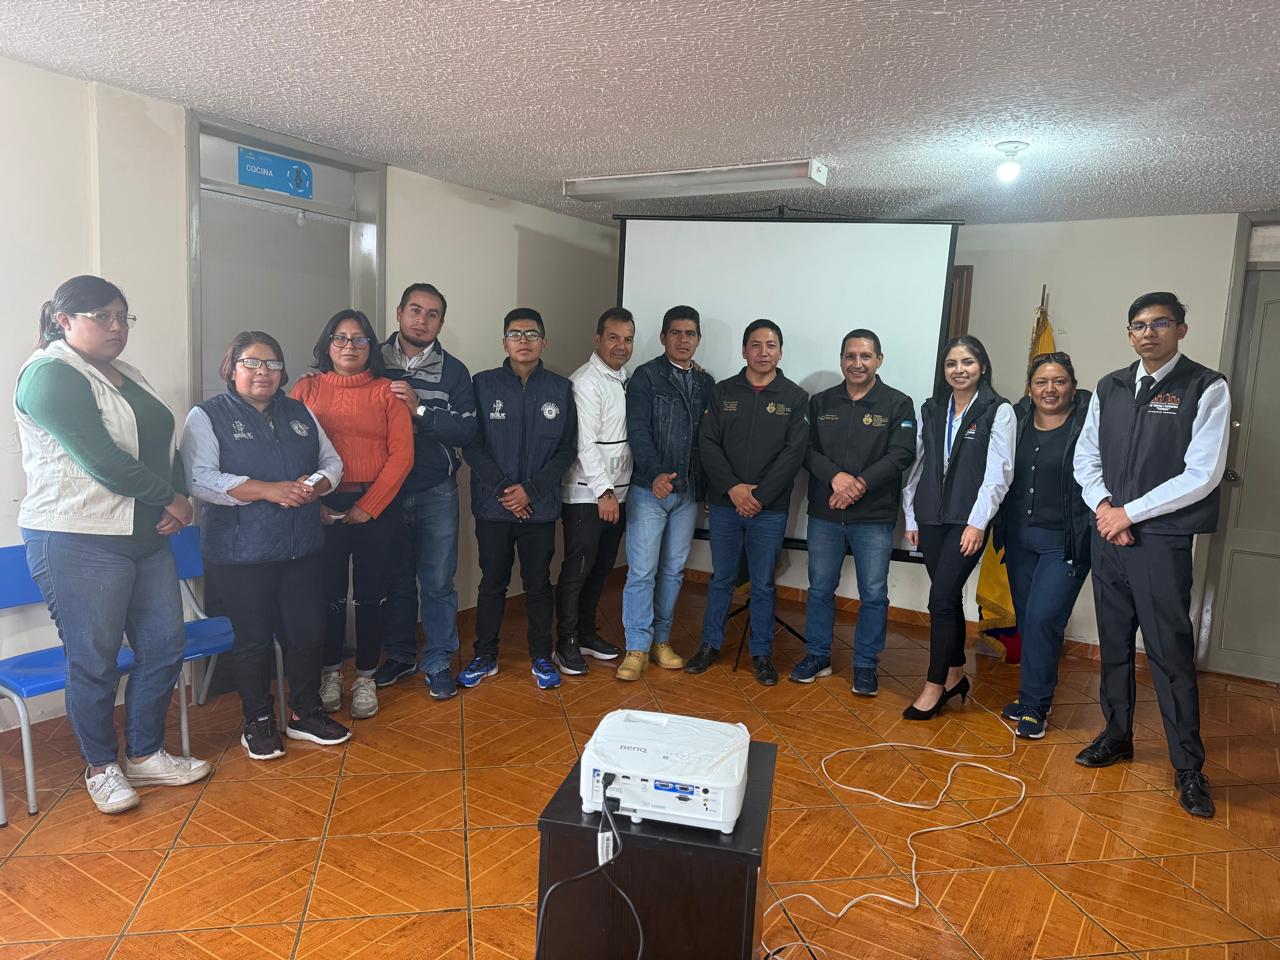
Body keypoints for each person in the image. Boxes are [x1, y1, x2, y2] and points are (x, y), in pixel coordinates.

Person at [17, 275, 211, 814]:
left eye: (123, 317)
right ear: (64, 320)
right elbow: (101, 459)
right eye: (102, 316)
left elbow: (163, 444)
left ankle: (144, 754)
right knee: (95, 658)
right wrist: (171, 501)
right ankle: (101, 767)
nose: (116, 327)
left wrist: (175, 494)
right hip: (77, 537)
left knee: (164, 644)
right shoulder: (50, 375)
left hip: (142, 535)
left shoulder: (125, 372)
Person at [1073, 292, 1230, 819]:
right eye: (1138, 325)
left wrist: (1129, 514)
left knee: (1169, 653)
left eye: (1160, 323)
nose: (1148, 333)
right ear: (1129, 334)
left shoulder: (1206, 386)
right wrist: (1104, 509)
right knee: (1114, 645)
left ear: (1181, 329)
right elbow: (1085, 456)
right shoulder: (1110, 386)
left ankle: (1188, 767)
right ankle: (1117, 735)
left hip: (1161, 541)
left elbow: (1202, 474)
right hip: (1108, 536)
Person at [181, 331, 351, 760]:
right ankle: (257, 720)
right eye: (252, 363)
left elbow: (332, 462)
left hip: (300, 547)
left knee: (307, 632)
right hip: (241, 553)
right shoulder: (207, 415)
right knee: (253, 639)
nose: (263, 372)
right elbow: (198, 478)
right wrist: (267, 490)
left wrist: (317, 485)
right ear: (232, 368)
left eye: (272, 364)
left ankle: (305, 713)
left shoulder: (299, 412)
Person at [290, 310, 413, 720]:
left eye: (359, 339)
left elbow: (402, 456)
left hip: (376, 507)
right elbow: (288, 450)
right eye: (340, 338)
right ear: (327, 344)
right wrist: (315, 504)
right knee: (327, 594)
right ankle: (330, 673)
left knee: (371, 594)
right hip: (321, 507)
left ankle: (365, 676)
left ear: (370, 347)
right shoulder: (306, 389)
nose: (349, 346)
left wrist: (369, 506)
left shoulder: (387, 392)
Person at [460, 308, 578, 689]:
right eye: (515, 334)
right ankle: (485, 655)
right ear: (504, 342)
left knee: (538, 584)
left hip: (539, 510)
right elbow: (472, 445)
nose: (523, 341)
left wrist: (531, 490)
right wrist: (505, 490)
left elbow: (566, 449)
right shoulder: (482, 385)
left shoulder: (560, 389)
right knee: (492, 583)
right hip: (493, 509)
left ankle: (541, 656)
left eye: (531, 334)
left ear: (544, 342)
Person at [686, 319, 808, 686]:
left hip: (769, 510)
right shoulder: (722, 392)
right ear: (744, 351)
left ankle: (762, 652)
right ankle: (710, 644)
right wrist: (734, 490)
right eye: (756, 345)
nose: (763, 352)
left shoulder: (795, 397)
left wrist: (759, 496)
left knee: (763, 583)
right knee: (721, 578)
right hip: (726, 505)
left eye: (771, 345)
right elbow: (708, 444)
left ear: (780, 352)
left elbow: (793, 453)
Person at [795, 328, 916, 695]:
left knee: (874, 593)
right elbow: (805, 449)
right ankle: (818, 654)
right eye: (850, 356)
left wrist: (858, 485)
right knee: (819, 588)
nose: (857, 363)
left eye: (865, 356)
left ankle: (865, 663)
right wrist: (836, 478)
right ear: (841, 360)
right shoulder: (820, 402)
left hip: (873, 517)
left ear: (879, 360)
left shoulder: (898, 403)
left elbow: (901, 453)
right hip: (826, 513)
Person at [902, 335, 1014, 720]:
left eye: (967, 362)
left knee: (938, 599)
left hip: (967, 522)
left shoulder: (998, 410)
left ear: (982, 366)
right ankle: (955, 674)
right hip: (930, 517)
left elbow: (998, 475)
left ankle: (934, 685)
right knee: (947, 599)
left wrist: (978, 522)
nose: (959, 370)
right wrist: (911, 515)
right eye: (951, 363)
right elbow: (918, 465)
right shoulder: (932, 408)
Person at [375, 283, 476, 700]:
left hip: (436, 490)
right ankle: (400, 654)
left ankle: (437, 660)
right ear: (399, 313)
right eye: (415, 310)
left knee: (437, 581)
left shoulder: (455, 372)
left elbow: (466, 429)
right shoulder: (371, 361)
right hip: (385, 490)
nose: (422, 320)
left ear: (441, 323)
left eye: (432, 314)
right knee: (395, 579)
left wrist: (418, 408)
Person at [991, 352, 1092, 739]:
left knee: (1043, 619)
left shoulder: (1088, 424)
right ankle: (1032, 695)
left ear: (1073, 386)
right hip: (1019, 539)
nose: (1050, 389)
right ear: (1030, 388)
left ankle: (1035, 705)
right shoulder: (1015, 420)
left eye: (1059, 381)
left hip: (1064, 542)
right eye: (1041, 382)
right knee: (1027, 619)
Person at [618, 306, 716, 681]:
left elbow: (708, 441)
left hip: (687, 495)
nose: (682, 340)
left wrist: (707, 490)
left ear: (698, 340)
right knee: (642, 572)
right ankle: (636, 648)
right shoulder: (646, 377)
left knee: (673, 572)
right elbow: (638, 431)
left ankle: (661, 641)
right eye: (675, 332)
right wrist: (655, 472)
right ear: (663, 337)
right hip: (649, 491)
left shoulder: (706, 383)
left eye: (690, 333)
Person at [553, 307, 634, 675]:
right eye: (614, 338)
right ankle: (566, 642)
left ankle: (586, 634)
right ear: (598, 339)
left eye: (628, 339)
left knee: (600, 569)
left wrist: (615, 493)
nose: (621, 346)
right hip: (589, 495)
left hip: (618, 494)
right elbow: (584, 444)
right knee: (578, 569)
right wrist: (604, 493)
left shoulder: (623, 378)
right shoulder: (585, 382)